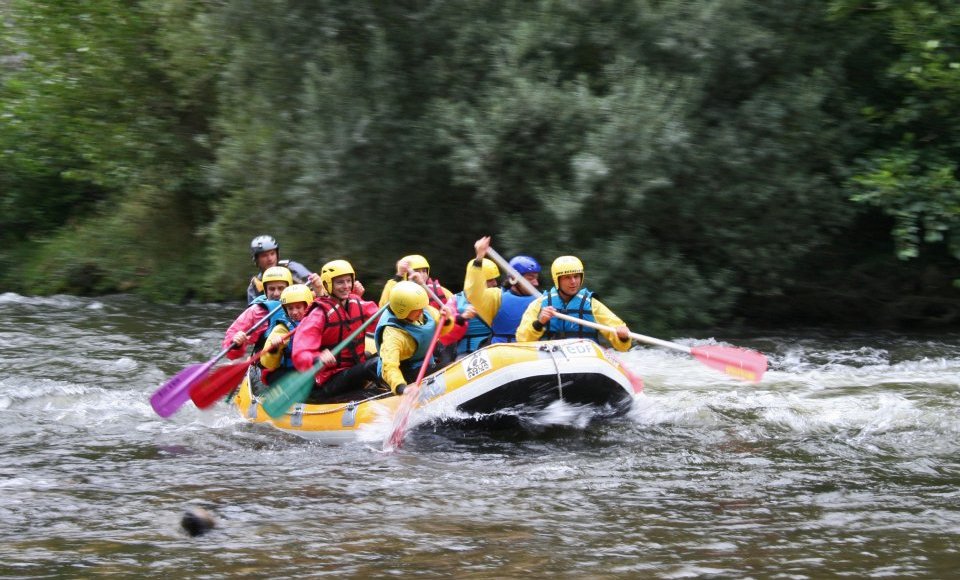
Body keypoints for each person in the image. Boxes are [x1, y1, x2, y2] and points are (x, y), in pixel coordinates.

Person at [291, 259, 382, 403]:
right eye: (340, 282)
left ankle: (402, 383)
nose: (346, 286)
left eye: (348, 281)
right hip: (328, 380)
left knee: (385, 355)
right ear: (328, 285)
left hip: (353, 369)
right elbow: (300, 354)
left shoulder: (359, 304)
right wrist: (318, 357)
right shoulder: (318, 314)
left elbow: (384, 322)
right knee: (374, 364)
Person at [515, 255, 632, 351]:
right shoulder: (539, 304)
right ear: (557, 280)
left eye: (576, 276)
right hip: (551, 358)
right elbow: (522, 340)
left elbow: (622, 346)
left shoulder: (592, 304)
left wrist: (622, 337)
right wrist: (539, 323)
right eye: (567, 277)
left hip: (584, 359)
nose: (573, 282)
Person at [374, 281, 457, 395]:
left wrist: (447, 320)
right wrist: (401, 388)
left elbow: (440, 330)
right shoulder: (393, 335)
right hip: (407, 370)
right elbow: (389, 366)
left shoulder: (423, 311)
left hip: (424, 358)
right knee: (444, 367)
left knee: (452, 347)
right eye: (417, 309)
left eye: (422, 307)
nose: (422, 311)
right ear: (403, 310)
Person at [463, 236, 543, 344]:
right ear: (514, 279)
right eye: (530, 278)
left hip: (532, 352)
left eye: (536, 278)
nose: (536, 283)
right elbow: (473, 294)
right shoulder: (496, 298)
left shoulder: (543, 300)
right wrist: (479, 259)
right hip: (503, 353)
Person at [222, 266, 292, 360]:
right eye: (271, 289)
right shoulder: (256, 311)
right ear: (266, 291)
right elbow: (230, 350)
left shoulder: (302, 305)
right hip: (266, 363)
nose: (276, 293)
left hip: (295, 361)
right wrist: (236, 343)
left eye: (281, 288)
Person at [259, 284, 315, 388]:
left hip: (311, 369)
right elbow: (266, 363)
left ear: (308, 306)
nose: (294, 312)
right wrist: (274, 348)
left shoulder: (318, 320)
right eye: (290, 308)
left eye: (298, 307)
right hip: (289, 371)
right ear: (285, 310)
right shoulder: (281, 329)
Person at [247, 234, 322, 304]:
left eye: (272, 254)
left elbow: (318, 288)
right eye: (264, 255)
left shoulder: (293, 268)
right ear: (256, 260)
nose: (270, 259)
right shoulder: (254, 287)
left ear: (277, 255)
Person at [449, 256, 499, 355]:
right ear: (477, 281)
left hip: (492, 352)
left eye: (494, 279)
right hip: (466, 354)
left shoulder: (498, 296)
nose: (495, 283)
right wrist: (462, 318)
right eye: (490, 280)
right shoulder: (455, 299)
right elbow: (447, 331)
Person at [377, 254, 453, 311]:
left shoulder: (441, 291)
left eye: (424, 271)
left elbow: (454, 308)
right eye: (416, 271)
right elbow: (383, 307)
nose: (421, 275)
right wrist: (399, 275)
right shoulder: (398, 290)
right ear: (406, 276)